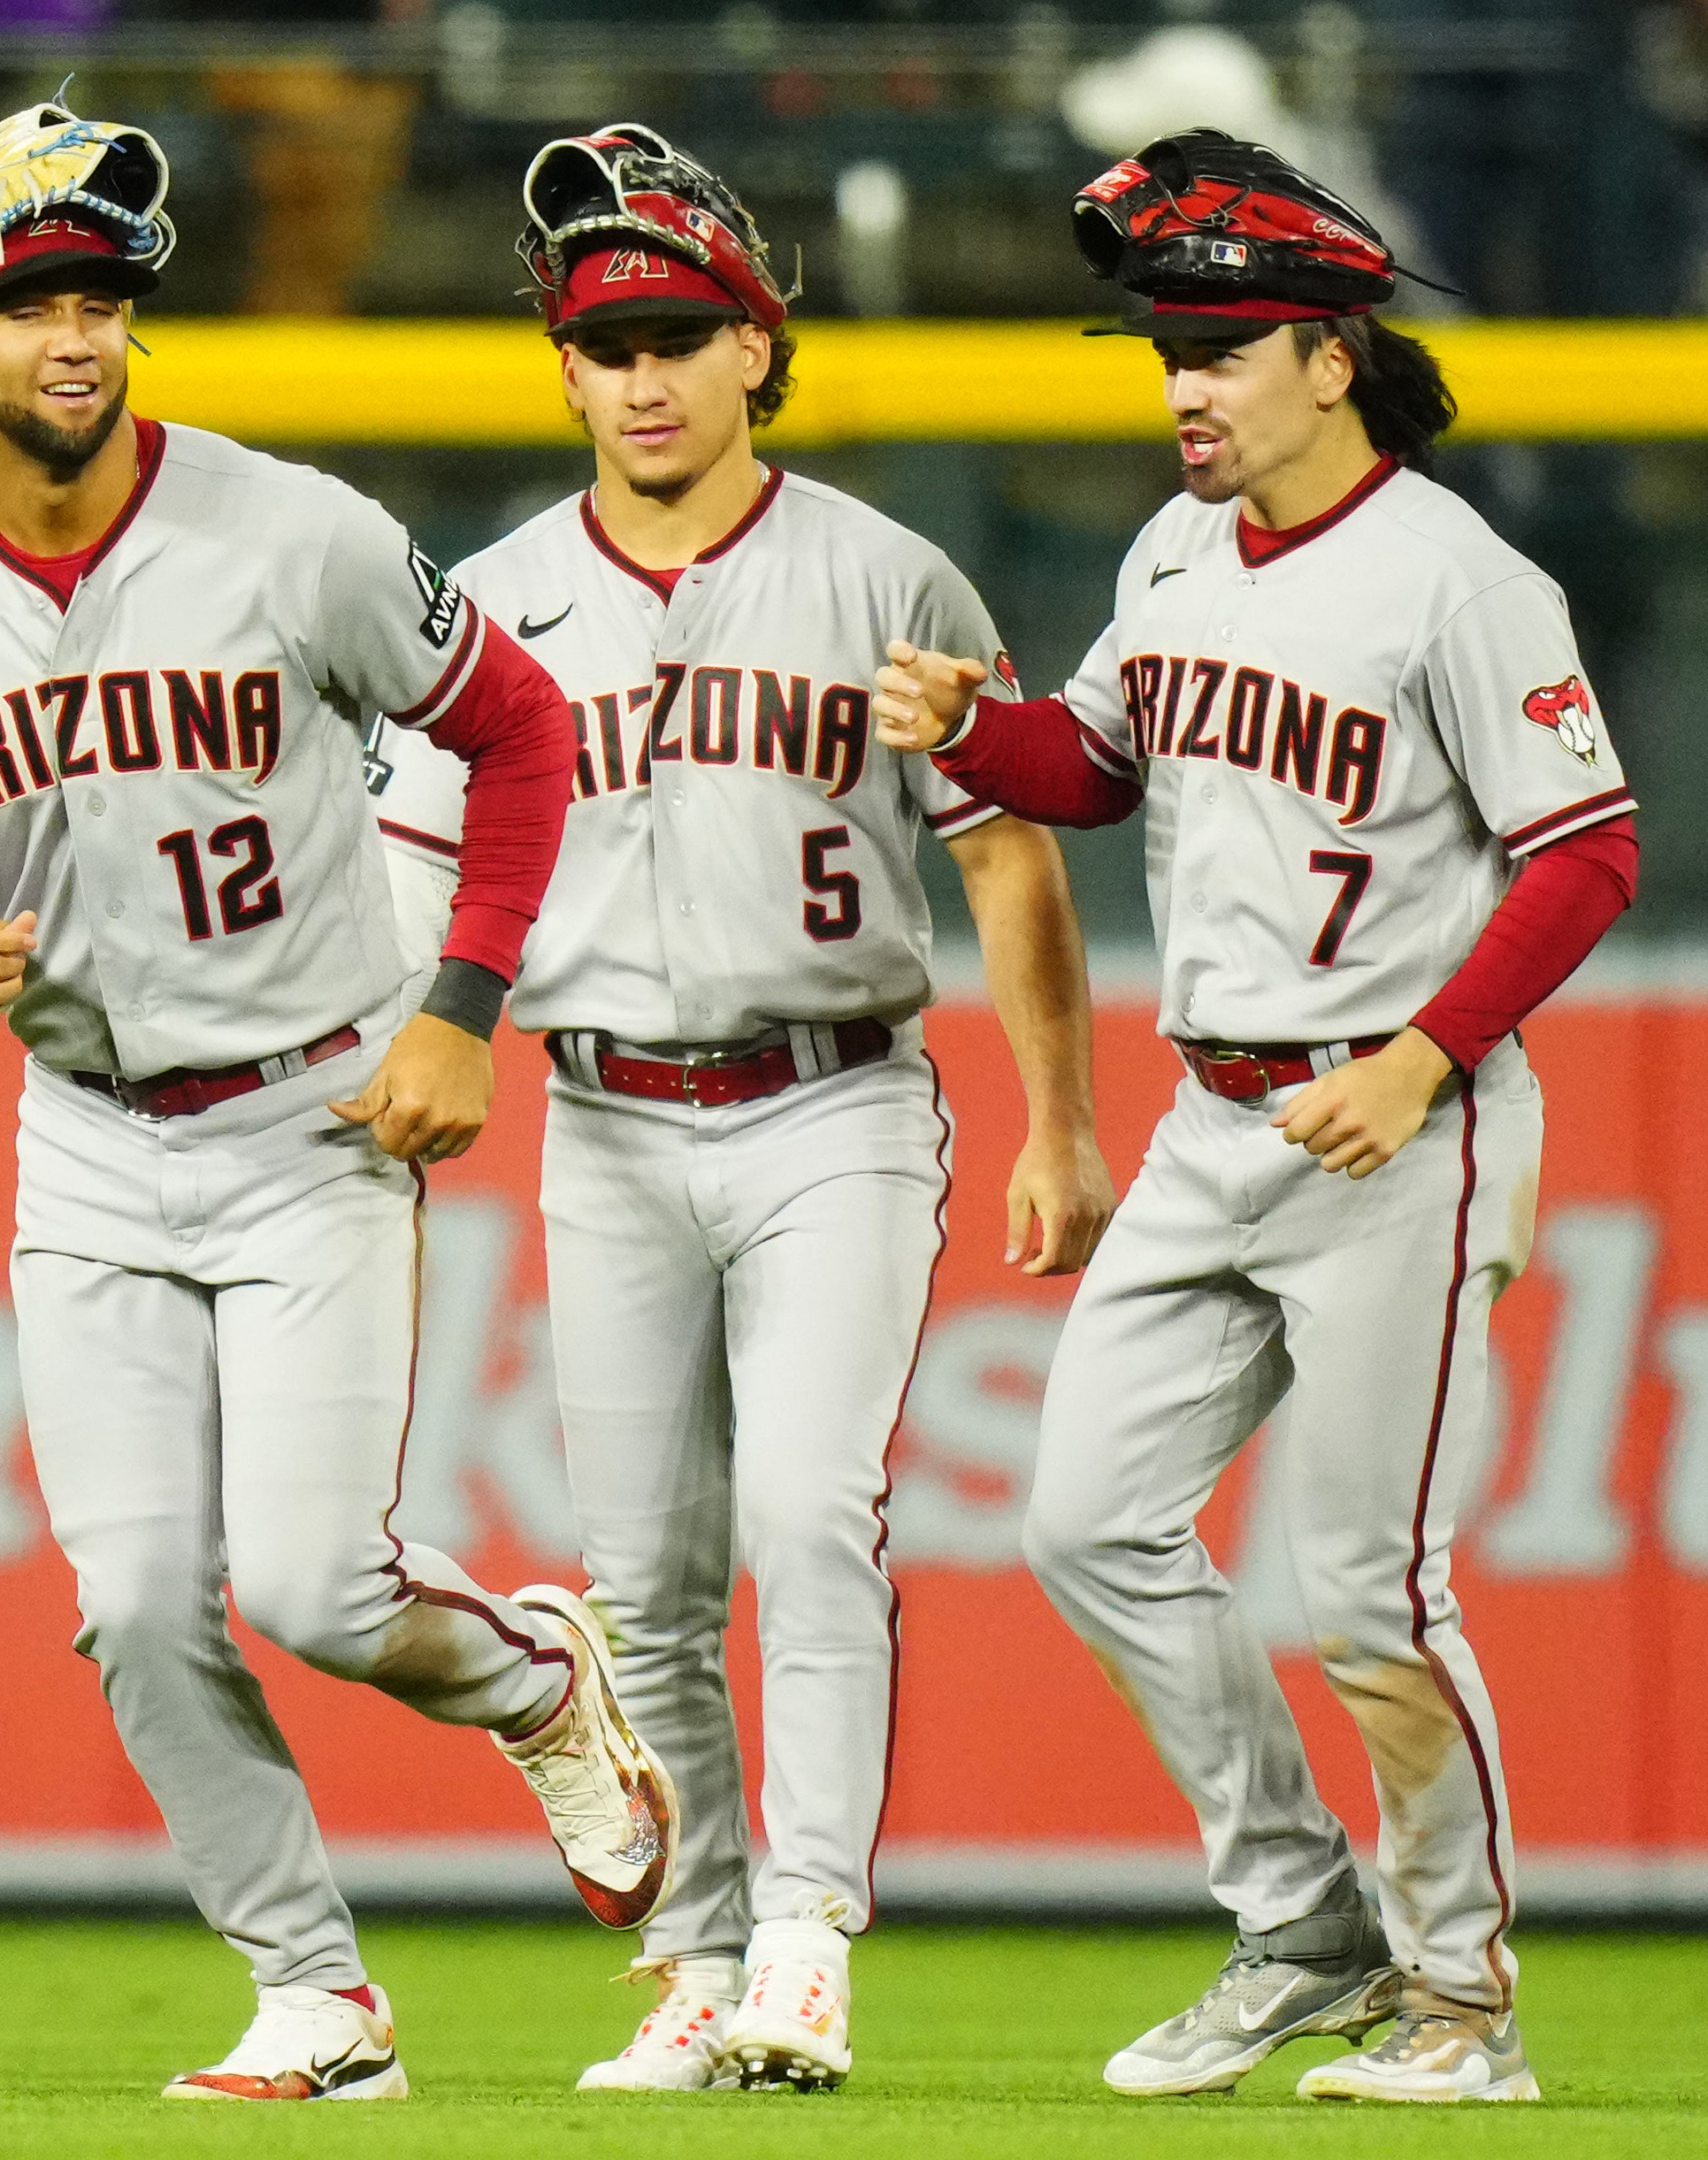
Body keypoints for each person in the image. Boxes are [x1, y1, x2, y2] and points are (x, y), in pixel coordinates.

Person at [0, 103, 682, 2103]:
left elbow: (523, 731)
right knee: (131, 1602)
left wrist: (465, 1006)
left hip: (310, 1118)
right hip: (88, 1138)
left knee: (313, 1587)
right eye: (25, 300)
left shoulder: (285, 528)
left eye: (100, 297)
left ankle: (544, 1684)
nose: (72, 335)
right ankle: (320, 1998)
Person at [872, 128, 1640, 2105]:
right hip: (1218, 1123)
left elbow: (1587, 852)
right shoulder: (1173, 551)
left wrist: (1430, 1057)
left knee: (1375, 1598)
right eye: (1167, 353)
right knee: (1084, 1522)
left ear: (1332, 357)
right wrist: (977, 728)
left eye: (1223, 348)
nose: (1187, 384)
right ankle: (1305, 1922)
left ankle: (1464, 2005)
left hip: (1396, 1121)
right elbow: (1100, 765)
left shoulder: (1459, 578)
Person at [370, 125, 1113, 2093]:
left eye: (687, 332)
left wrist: (1063, 1119)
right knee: (639, 1577)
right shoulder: (499, 600)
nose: (648, 373)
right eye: (612, 340)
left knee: (810, 1507)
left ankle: (803, 1936)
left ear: (757, 348)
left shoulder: (884, 569)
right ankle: (697, 1967)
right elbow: (399, 876)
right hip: (602, 1117)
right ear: (566, 368)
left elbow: (1012, 858)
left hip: (835, 1107)